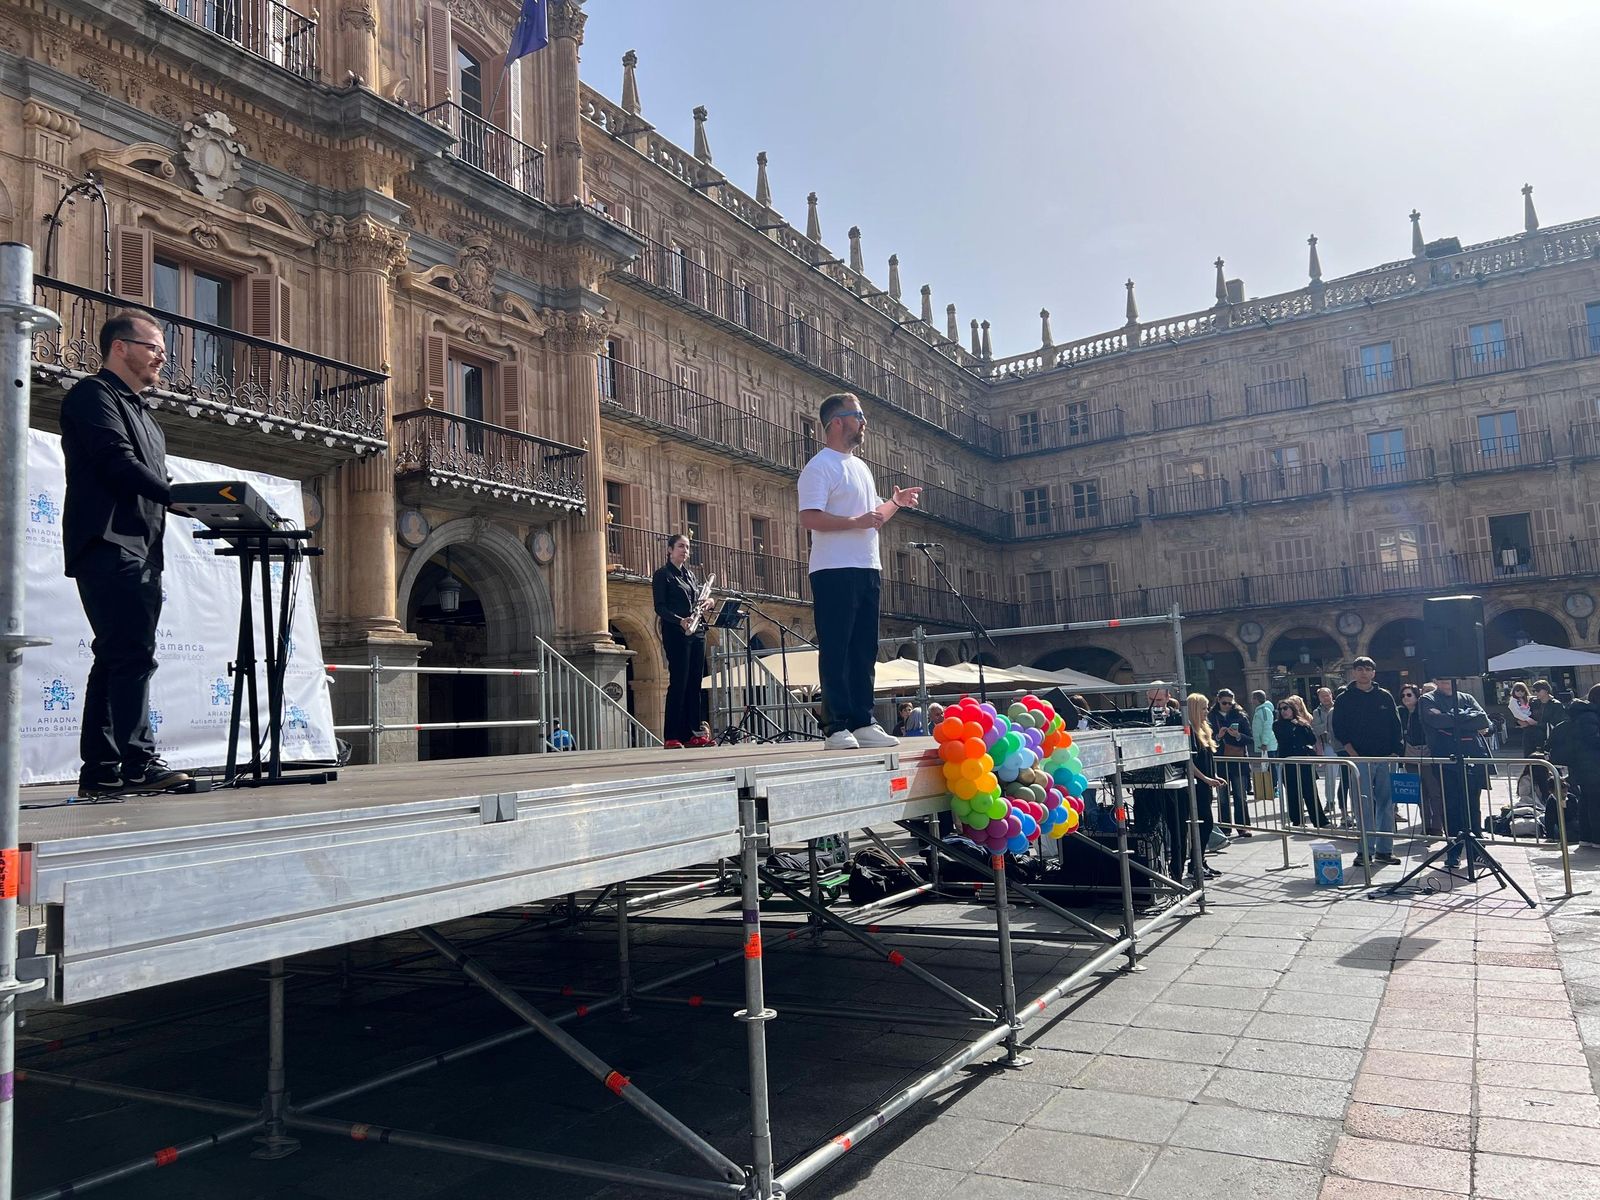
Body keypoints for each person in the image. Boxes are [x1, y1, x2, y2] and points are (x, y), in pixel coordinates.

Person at [61, 313, 192, 799]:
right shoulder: (93, 396)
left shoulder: (147, 415)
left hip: (140, 548)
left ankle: (102, 771)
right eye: (154, 346)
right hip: (108, 541)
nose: (163, 356)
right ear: (120, 347)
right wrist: (176, 497)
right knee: (131, 655)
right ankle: (137, 763)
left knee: (116, 656)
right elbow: (115, 462)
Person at [797, 392, 920, 749]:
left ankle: (862, 718)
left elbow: (872, 520)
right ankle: (835, 725)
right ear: (837, 422)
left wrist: (895, 503)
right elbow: (809, 517)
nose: (864, 422)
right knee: (836, 647)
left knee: (864, 648)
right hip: (833, 568)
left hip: (867, 565)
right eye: (858, 415)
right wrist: (855, 520)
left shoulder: (861, 467)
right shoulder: (819, 467)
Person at [1331, 656, 1402, 867]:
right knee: (1362, 805)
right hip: (1359, 758)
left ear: (1373, 673)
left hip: (1384, 758)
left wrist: (1395, 752)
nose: (1364, 673)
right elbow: (1339, 728)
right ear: (1353, 672)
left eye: (1368, 669)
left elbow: (1395, 725)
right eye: (1360, 669)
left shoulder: (1385, 696)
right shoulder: (1344, 698)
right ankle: (1364, 851)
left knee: (1386, 805)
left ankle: (1384, 850)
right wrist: (1352, 752)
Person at [1419, 675, 1494, 869]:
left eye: (1449, 680)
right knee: (1451, 806)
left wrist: (1452, 718)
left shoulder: (1467, 697)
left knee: (1472, 806)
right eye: (1442, 680)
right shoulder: (1428, 700)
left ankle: (1477, 850)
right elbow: (1435, 720)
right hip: (1445, 760)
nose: (1446, 684)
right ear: (1436, 681)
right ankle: (1453, 850)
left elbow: (1483, 719)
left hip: (1472, 758)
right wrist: (1466, 718)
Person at [652, 533, 711, 749]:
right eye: (680, 546)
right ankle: (672, 736)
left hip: (697, 631)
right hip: (676, 633)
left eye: (687, 547)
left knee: (695, 682)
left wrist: (708, 602)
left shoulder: (691, 577)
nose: (684, 551)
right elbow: (660, 607)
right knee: (679, 682)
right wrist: (680, 621)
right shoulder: (663, 575)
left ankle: (693, 733)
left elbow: (697, 600)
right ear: (669, 550)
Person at [1549, 684, 1600, 846]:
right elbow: (1592, 740)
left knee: (1586, 800)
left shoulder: (1582, 713)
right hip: (1591, 764)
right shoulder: (1589, 716)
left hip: (1583, 764)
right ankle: (1596, 838)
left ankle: (1586, 837)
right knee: (1595, 802)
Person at [1185, 692, 1226, 880]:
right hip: (1197, 785)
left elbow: (1207, 758)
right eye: (1203, 708)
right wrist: (1206, 779)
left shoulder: (1203, 729)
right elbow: (1189, 763)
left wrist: (1214, 776)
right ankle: (1195, 864)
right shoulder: (1189, 731)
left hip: (1205, 783)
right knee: (1204, 823)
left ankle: (1199, 861)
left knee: (1206, 824)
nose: (1206, 711)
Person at [1399, 684, 1445, 837]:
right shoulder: (1401, 712)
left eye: (1409, 695)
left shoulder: (1423, 711)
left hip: (1427, 754)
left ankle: (1437, 825)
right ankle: (1425, 825)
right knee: (1419, 794)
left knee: (1434, 792)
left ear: (1416, 696)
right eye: (1403, 695)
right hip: (1410, 757)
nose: (1406, 698)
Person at [1274, 695, 1325, 827]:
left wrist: (1302, 725)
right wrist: (1293, 726)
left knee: (1310, 791)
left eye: (1286, 708)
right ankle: (1297, 820)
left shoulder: (1302, 723)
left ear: (1293, 709)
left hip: (1304, 761)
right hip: (1289, 762)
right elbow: (1284, 738)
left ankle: (1320, 820)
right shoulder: (1278, 725)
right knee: (1293, 792)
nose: (1283, 711)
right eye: (1280, 709)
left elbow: (1312, 740)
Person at [1208, 688, 1254, 836]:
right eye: (1224, 703)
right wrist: (1218, 737)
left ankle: (1243, 827)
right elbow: (1206, 740)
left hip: (1238, 760)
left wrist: (1238, 735)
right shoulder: (1211, 716)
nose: (1227, 706)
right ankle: (1225, 828)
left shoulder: (1240, 715)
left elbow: (1251, 739)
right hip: (1221, 761)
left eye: (1230, 703)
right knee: (1222, 797)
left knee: (1241, 795)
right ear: (1218, 701)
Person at [1311, 685, 1349, 824]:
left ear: (1331, 695)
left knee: (1345, 776)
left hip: (1343, 745)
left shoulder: (1340, 706)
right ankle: (1330, 800)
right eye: (1322, 696)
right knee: (1330, 775)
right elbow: (1316, 728)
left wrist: (1326, 726)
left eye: (1327, 695)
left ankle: (1346, 806)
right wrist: (1328, 725)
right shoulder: (1318, 712)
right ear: (1319, 698)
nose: (1326, 698)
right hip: (1329, 745)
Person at [1530, 680, 1567, 755]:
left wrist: (1537, 723)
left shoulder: (1556, 705)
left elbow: (1557, 723)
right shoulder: (1533, 703)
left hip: (1550, 739)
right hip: (1534, 737)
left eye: (1538, 690)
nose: (1535, 693)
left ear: (1546, 690)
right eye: (1533, 691)